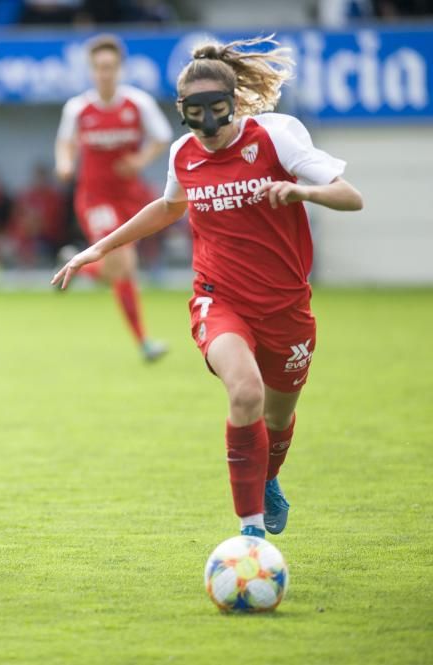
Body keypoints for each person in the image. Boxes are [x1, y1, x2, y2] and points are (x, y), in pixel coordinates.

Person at [53, 37, 363, 539]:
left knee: (278, 418)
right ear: (182, 112)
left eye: (216, 110)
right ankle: (251, 535)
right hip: (219, 298)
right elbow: (168, 207)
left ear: (234, 102)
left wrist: (301, 190)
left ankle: (270, 480)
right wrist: (99, 249)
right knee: (245, 393)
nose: (209, 126)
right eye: (195, 114)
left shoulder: (278, 135)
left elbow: (350, 196)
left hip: (286, 305)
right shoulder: (184, 153)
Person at [55, 33, 173, 362]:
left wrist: (139, 160)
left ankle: (74, 265)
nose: (104, 73)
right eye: (99, 67)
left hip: (129, 198)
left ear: (119, 68)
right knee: (122, 264)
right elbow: (65, 142)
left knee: (117, 271)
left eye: (110, 66)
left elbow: (162, 137)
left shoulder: (138, 104)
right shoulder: (78, 108)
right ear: (92, 70)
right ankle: (144, 343)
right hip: (95, 199)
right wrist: (64, 163)